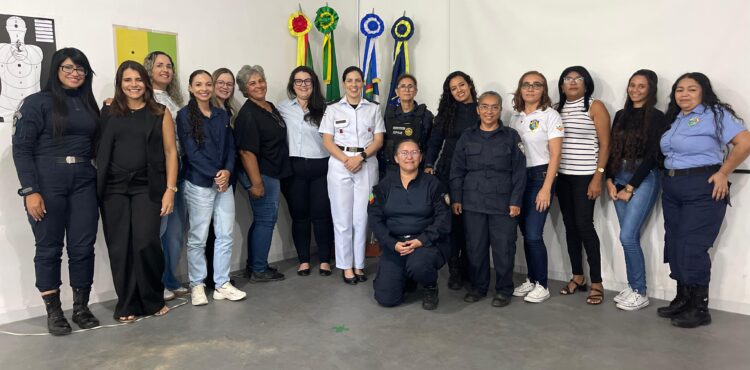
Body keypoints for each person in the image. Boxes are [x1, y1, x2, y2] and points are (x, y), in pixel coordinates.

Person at [12, 47, 100, 335]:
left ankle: (81, 308)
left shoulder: (89, 103)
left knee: (83, 247)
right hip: (47, 182)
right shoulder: (36, 103)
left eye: (80, 69)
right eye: (68, 68)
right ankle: (54, 312)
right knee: (49, 248)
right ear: (55, 70)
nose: (75, 73)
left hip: (85, 180)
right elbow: (22, 149)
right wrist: (29, 191)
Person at [659, 72, 750, 328]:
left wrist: (723, 172)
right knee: (675, 242)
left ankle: (699, 308)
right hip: (673, 186)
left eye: (691, 89)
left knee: (692, 245)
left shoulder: (716, 114)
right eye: (679, 89)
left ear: (703, 92)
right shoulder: (676, 119)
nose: (684, 94)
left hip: (701, 186)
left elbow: (745, 142)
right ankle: (683, 299)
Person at [96, 60, 178, 322]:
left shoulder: (160, 112)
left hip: (148, 187)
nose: (134, 85)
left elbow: (170, 152)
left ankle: (152, 300)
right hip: (113, 189)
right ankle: (127, 303)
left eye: (138, 79)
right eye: (128, 80)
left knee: (146, 243)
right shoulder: (109, 111)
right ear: (120, 84)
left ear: (146, 82)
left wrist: (170, 189)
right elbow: (98, 148)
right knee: (120, 247)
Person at [450, 91, 526, 307]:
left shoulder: (511, 136)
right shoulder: (467, 136)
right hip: (472, 202)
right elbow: (457, 169)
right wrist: (456, 198)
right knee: (475, 247)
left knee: (503, 249)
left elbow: (519, 172)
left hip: (502, 204)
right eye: (484, 106)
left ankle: (503, 289)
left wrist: (515, 201)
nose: (489, 111)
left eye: (494, 107)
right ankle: (478, 287)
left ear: (500, 110)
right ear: (478, 109)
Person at [178, 69, 246, 306]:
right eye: (199, 84)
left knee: (225, 235)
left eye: (208, 84)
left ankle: (221, 284)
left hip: (223, 183)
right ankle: (197, 284)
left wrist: (226, 172)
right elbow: (191, 152)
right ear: (190, 88)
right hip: (199, 183)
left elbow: (230, 148)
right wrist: (215, 175)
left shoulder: (220, 114)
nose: (204, 88)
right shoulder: (184, 115)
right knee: (198, 237)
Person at [604, 69, 667, 311]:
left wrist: (630, 187)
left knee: (627, 236)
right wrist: (609, 180)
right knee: (628, 237)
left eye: (642, 86)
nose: (635, 90)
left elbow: (653, 155)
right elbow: (612, 149)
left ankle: (640, 291)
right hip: (618, 174)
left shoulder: (657, 117)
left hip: (644, 177)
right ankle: (632, 286)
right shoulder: (621, 114)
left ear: (650, 90)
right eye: (632, 85)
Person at [320, 66, 385, 284]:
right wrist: (347, 159)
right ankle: (346, 266)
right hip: (341, 164)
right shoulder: (333, 109)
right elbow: (327, 140)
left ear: (363, 83)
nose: (354, 85)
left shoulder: (373, 108)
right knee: (342, 219)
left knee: (361, 218)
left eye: (358, 80)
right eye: (350, 81)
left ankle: (359, 265)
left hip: (366, 163)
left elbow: (378, 140)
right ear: (344, 83)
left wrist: (361, 157)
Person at [370, 139, 450, 310]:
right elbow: (375, 219)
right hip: (395, 244)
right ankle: (405, 277)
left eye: (414, 152)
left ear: (420, 157)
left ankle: (429, 286)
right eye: (404, 153)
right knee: (386, 298)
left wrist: (422, 240)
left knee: (419, 265)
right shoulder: (384, 186)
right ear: (396, 158)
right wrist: (392, 244)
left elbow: (443, 219)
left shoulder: (433, 184)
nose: (409, 157)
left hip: (424, 245)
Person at [555, 66, 610, 305]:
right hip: (562, 177)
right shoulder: (556, 109)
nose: (573, 82)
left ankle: (596, 282)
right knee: (570, 227)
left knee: (585, 226)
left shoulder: (595, 106)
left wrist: (598, 177)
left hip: (585, 177)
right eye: (568, 79)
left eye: (578, 79)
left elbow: (606, 145)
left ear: (586, 83)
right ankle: (578, 276)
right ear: (562, 84)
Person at [508, 71, 563, 304]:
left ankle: (542, 284)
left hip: (540, 177)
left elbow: (556, 154)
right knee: (524, 233)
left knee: (533, 234)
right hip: (519, 179)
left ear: (543, 90)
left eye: (536, 85)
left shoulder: (550, 116)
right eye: (526, 85)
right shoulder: (515, 117)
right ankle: (530, 278)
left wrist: (546, 187)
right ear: (520, 89)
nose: (531, 89)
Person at [234, 65, 291, 282]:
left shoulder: (268, 106)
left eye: (261, 81)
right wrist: (256, 183)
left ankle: (256, 264)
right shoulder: (248, 114)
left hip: (274, 172)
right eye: (252, 83)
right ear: (245, 89)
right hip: (263, 175)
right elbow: (246, 152)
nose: (259, 86)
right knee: (265, 220)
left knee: (264, 220)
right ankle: (258, 269)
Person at [278, 66, 335, 276]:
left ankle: (324, 259)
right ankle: (303, 260)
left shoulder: (327, 109)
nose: (303, 85)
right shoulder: (282, 108)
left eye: (307, 81)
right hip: (294, 169)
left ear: (314, 84)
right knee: (299, 216)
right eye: (298, 81)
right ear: (292, 85)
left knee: (321, 216)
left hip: (321, 167)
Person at [424, 71, 478, 290]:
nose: (459, 90)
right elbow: (435, 141)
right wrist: (429, 164)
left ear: (470, 85)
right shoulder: (447, 112)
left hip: (474, 174)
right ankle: (455, 270)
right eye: (453, 88)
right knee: (453, 225)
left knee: (472, 226)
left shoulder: (482, 109)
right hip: (447, 172)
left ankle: (470, 268)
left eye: (461, 85)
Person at [143, 51, 188, 301]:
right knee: (157, 231)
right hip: (159, 173)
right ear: (149, 69)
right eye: (159, 65)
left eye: (169, 66)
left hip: (179, 171)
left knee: (175, 232)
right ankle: (156, 282)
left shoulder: (174, 100)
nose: (165, 70)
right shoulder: (144, 99)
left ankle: (171, 278)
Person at [203, 67, 240, 289]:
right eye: (221, 83)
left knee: (223, 230)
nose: (225, 87)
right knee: (209, 231)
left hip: (228, 175)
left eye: (230, 83)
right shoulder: (207, 111)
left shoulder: (231, 110)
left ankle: (219, 275)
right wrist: (218, 174)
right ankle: (209, 277)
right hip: (211, 178)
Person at [378, 74, 434, 177]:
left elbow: (432, 144)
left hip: (418, 169)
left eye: (410, 86)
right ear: (397, 91)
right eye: (403, 86)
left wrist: (428, 164)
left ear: (416, 91)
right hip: (392, 169)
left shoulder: (426, 115)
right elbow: (382, 142)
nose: (406, 90)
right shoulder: (389, 115)